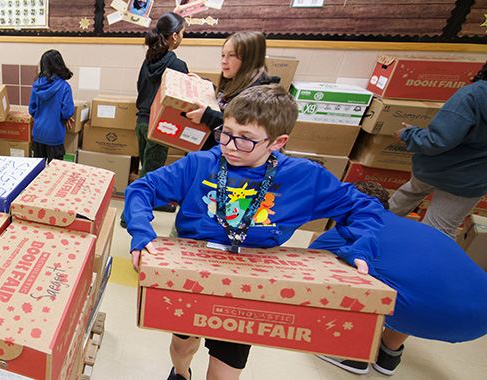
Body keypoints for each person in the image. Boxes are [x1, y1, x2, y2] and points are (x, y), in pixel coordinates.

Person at [124, 85, 385, 380]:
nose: (231, 146)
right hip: (192, 277)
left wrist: (360, 247)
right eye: (227, 133)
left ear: (277, 142)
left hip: (247, 286)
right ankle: (181, 373)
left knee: (225, 372)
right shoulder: (200, 164)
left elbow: (364, 208)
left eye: (246, 140)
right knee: (183, 347)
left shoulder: (304, 177)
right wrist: (141, 231)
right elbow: (142, 188)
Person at [312, 181, 487, 376]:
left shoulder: (348, 231)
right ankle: (389, 353)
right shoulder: (421, 229)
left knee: (334, 266)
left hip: (427, 312)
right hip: (480, 318)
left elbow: (307, 267)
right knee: (407, 279)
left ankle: (352, 351)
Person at [388, 61, 487, 238]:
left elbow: (438, 141)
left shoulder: (473, 95)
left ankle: (361, 239)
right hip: (472, 180)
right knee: (438, 233)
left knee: (401, 206)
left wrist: (408, 134)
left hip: (436, 168)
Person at [132, 12, 187, 217]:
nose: (183, 37)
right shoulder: (177, 66)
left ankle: (155, 201)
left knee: (147, 168)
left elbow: (140, 88)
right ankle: (129, 215)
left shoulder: (148, 62)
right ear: (174, 36)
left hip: (142, 122)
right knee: (151, 173)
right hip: (160, 124)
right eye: (183, 33)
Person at [186, 31, 279, 151]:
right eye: (223, 55)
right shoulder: (234, 80)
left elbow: (241, 130)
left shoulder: (259, 97)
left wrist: (208, 117)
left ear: (250, 59)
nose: (224, 61)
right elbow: (224, 101)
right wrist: (204, 84)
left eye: (232, 55)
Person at [28, 49, 74, 163]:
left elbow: (31, 109)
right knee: (55, 172)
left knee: (38, 169)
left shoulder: (37, 85)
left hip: (38, 133)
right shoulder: (64, 87)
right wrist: (65, 118)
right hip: (55, 134)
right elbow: (66, 112)